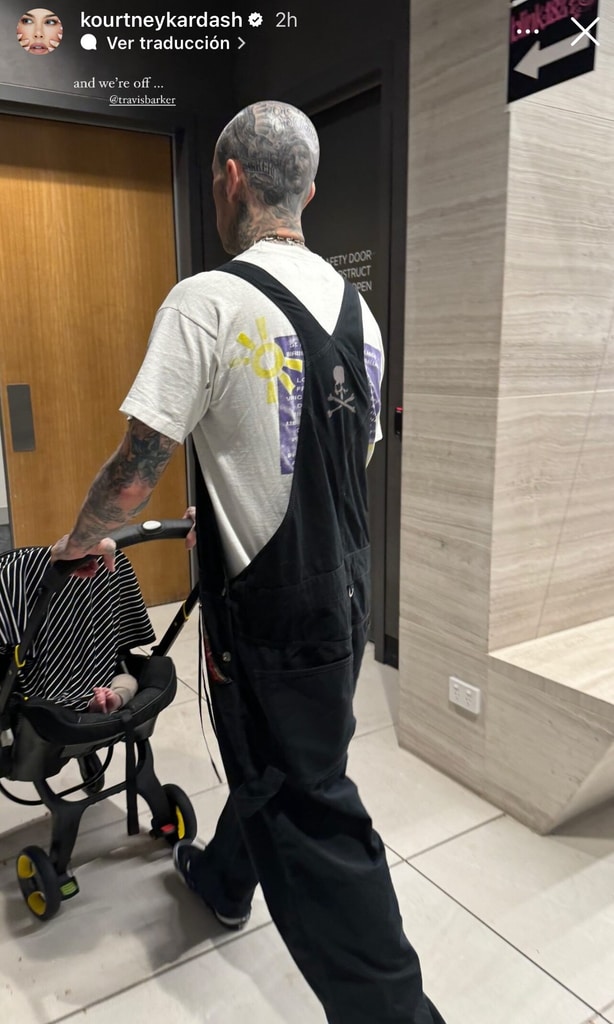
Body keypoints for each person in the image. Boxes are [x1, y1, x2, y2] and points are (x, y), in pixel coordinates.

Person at [51, 101, 446, 1024]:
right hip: (347, 586)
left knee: (311, 814)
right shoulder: (361, 312)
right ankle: (227, 880)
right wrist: (234, 498)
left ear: (228, 178)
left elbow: (134, 472)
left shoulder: (207, 300)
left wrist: (80, 542)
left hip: (275, 613)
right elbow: (340, 457)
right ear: (310, 187)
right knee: (291, 758)